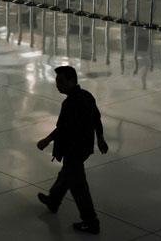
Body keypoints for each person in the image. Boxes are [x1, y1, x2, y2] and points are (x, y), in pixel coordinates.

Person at [37, 66, 108, 235]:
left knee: (79, 187)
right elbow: (96, 118)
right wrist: (100, 138)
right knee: (67, 174)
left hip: (73, 148)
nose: (58, 85)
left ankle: (91, 222)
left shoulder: (70, 103)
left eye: (61, 82)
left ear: (72, 80)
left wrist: (47, 140)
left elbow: (63, 128)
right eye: (56, 82)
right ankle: (53, 200)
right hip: (83, 147)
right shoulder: (87, 96)